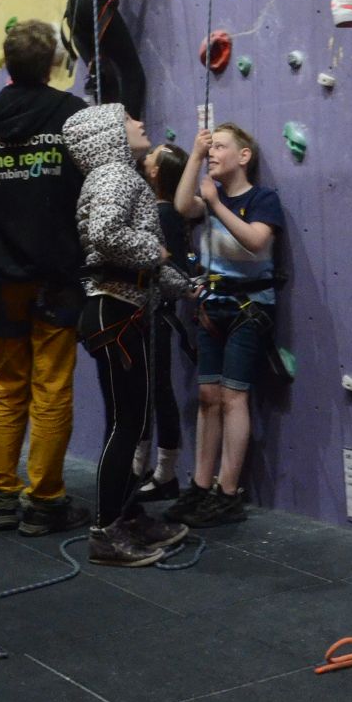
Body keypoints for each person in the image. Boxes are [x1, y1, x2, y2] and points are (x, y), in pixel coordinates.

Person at [0, 20, 91, 537]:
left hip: (2, 270)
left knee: (6, 382)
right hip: (57, 268)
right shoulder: (72, 114)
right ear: (54, 63)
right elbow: (86, 188)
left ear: (6, 63)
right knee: (52, 385)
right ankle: (44, 502)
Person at [63, 103, 192, 566]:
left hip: (121, 310)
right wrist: (156, 253)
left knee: (132, 421)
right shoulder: (115, 176)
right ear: (109, 136)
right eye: (128, 120)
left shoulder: (120, 176)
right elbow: (107, 235)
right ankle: (106, 531)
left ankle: (127, 514)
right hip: (114, 313)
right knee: (127, 423)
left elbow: (139, 265)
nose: (139, 124)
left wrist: (186, 286)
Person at [167, 124, 284, 528]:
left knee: (234, 397)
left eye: (220, 147)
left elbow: (256, 241)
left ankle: (228, 490)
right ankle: (201, 485)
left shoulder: (262, 199)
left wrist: (216, 205)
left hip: (249, 307)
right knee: (208, 396)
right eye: (210, 147)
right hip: (212, 306)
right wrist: (195, 156)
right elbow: (182, 204)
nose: (213, 152)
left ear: (244, 156)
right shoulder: (207, 198)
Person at [132, 143, 198, 502]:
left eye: (152, 156)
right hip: (150, 310)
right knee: (147, 390)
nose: (146, 158)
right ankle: (142, 468)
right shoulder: (160, 210)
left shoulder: (164, 213)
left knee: (156, 390)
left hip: (156, 311)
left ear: (156, 172)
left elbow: (173, 267)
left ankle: (163, 473)